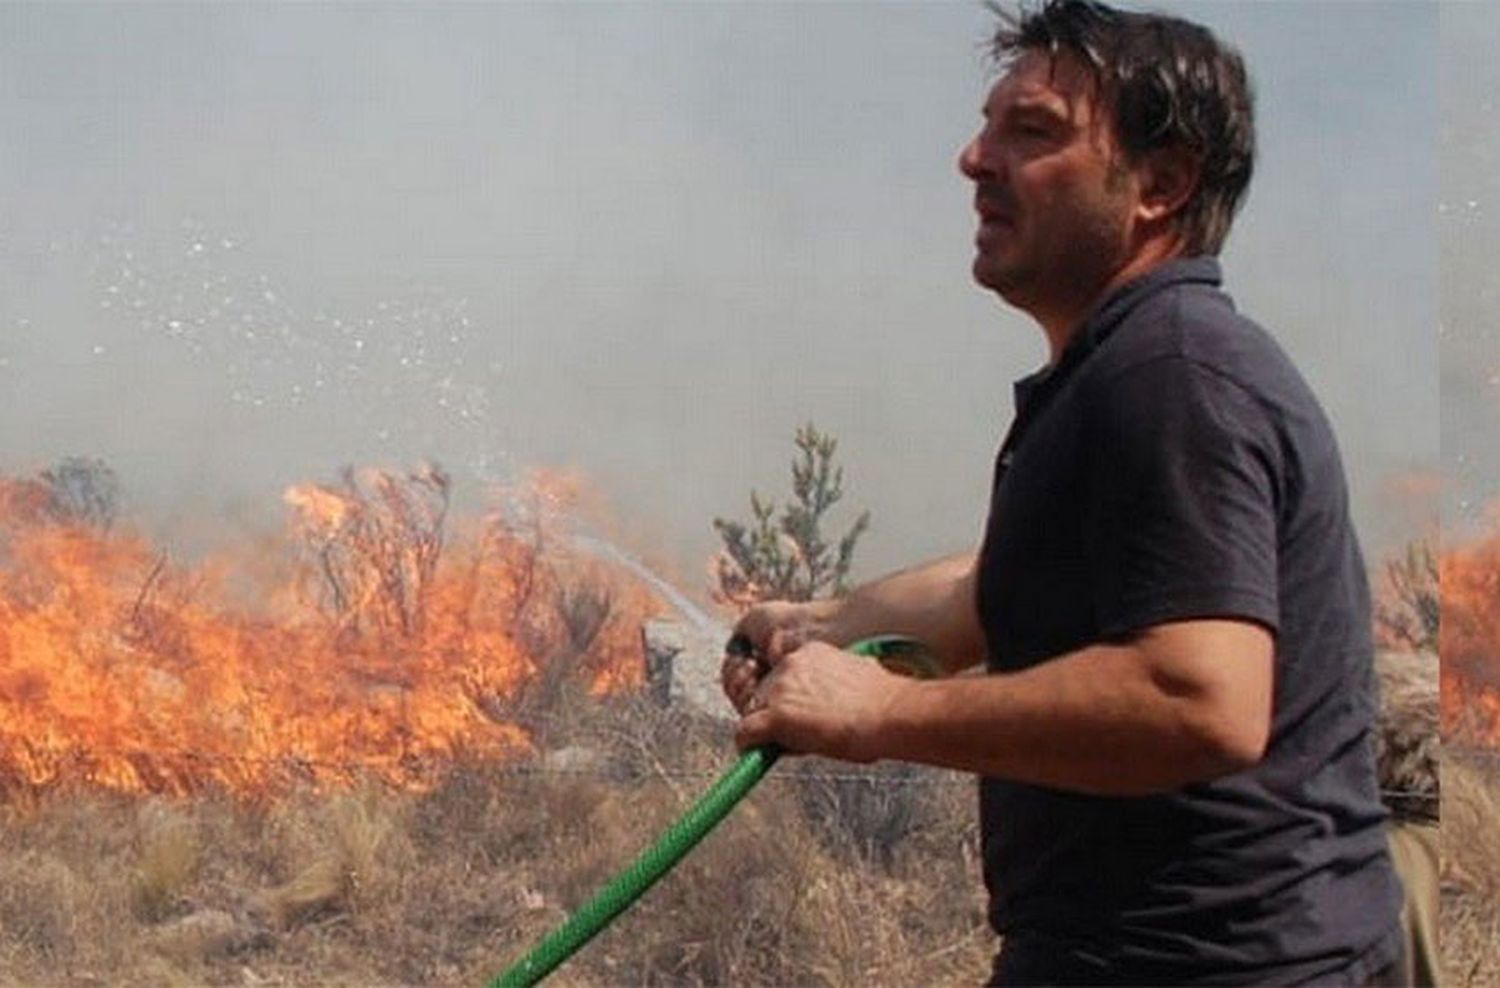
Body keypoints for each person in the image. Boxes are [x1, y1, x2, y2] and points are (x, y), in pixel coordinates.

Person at [719, 1, 1404, 984]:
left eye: (1030, 132)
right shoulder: (1128, 368)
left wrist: (880, 713)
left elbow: (1199, 698)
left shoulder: (1173, 375)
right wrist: (820, 623)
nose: (974, 157)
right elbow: (1006, 588)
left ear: (1160, 185)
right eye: (989, 123)